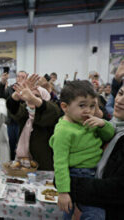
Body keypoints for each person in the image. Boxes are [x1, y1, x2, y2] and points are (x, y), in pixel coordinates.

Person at [49, 80, 114, 220]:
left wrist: (102, 124)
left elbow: (109, 135)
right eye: (82, 105)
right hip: (75, 174)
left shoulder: (89, 121)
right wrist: (63, 192)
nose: (88, 110)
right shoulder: (63, 130)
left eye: (92, 106)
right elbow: (60, 163)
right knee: (88, 214)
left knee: (88, 214)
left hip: (94, 175)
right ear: (65, 107)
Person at [69, 84, 124, 219]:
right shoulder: (111, 127)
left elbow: (117, 189)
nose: (120, 101)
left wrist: (69, 184)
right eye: (121, 93)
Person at [7, 74, 61, 170]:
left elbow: (51, 112)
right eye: (29, 95)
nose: (30, 98)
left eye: (37, 96)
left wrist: (33, 99)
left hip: (44, 165)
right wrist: (17, 94)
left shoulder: (52, 109)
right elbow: (13, 110)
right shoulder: (26, 111)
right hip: (23, 164)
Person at [0, 71, 28, 160]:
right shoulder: (10, 89)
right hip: (10, 122)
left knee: (21, 147)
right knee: (10, 146)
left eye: (23, 77)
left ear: (26, 78)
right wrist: (2, 83)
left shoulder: (28, 89)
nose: (20, 78)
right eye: (18, 76)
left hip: (21, 123)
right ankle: (10, 164)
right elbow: (0, 96)